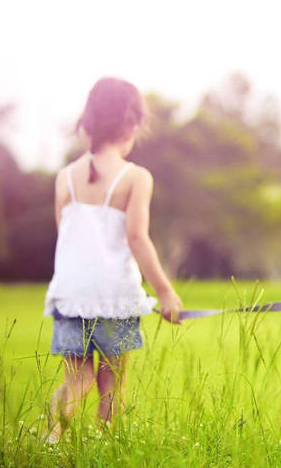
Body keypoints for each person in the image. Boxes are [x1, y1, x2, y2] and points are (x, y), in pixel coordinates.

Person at [44, 77, 183, 441]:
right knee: (112, 383)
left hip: (70, 295)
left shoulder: (64, 178)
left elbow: (66, 239)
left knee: (77, 378)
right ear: (131, 126)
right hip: (114, 297)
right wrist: (165, 292)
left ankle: (50, 439)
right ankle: (107, 447)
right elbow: (137, 238)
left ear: (86, 124)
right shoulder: (135, 177)